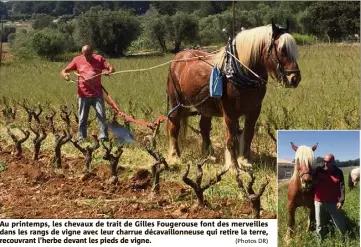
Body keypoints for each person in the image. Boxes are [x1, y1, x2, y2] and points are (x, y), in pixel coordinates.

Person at [60, 45, 114, 142]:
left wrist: (108, 71)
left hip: (97, 94)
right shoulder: (77, 60)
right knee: (82, 118)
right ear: (82, 53)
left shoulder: (99, 59)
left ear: (92, 52)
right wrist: (65, 75)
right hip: (83, 95)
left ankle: (103, 137)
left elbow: (111, 68)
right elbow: (64, 70)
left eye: (89, 54)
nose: (87, 56)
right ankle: (82, 138)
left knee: (101, 116)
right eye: (85, 54)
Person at [314, 154, 346, 241]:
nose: (326, 163)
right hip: (319, 201)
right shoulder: (318, 170)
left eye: (328, 162)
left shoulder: (338, 172)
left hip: (333, 201)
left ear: (333, 162)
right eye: (324, 161)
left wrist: (341, 200)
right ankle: (320, 241)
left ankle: (344, 239)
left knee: (338, 222)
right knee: (319, 223)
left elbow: (342, 187)